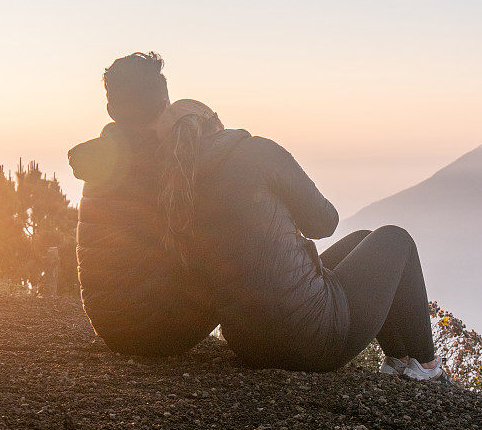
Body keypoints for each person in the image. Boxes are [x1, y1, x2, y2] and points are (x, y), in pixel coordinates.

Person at [69, 52, 449, 383]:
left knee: (364, 239)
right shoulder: (178, 167)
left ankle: (402, 361)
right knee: (394, 239)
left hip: (140, 326)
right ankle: (425, 367)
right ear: (167, 103)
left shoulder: (115, 160)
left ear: (112, 111)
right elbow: (324, 223)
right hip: (163, 327)